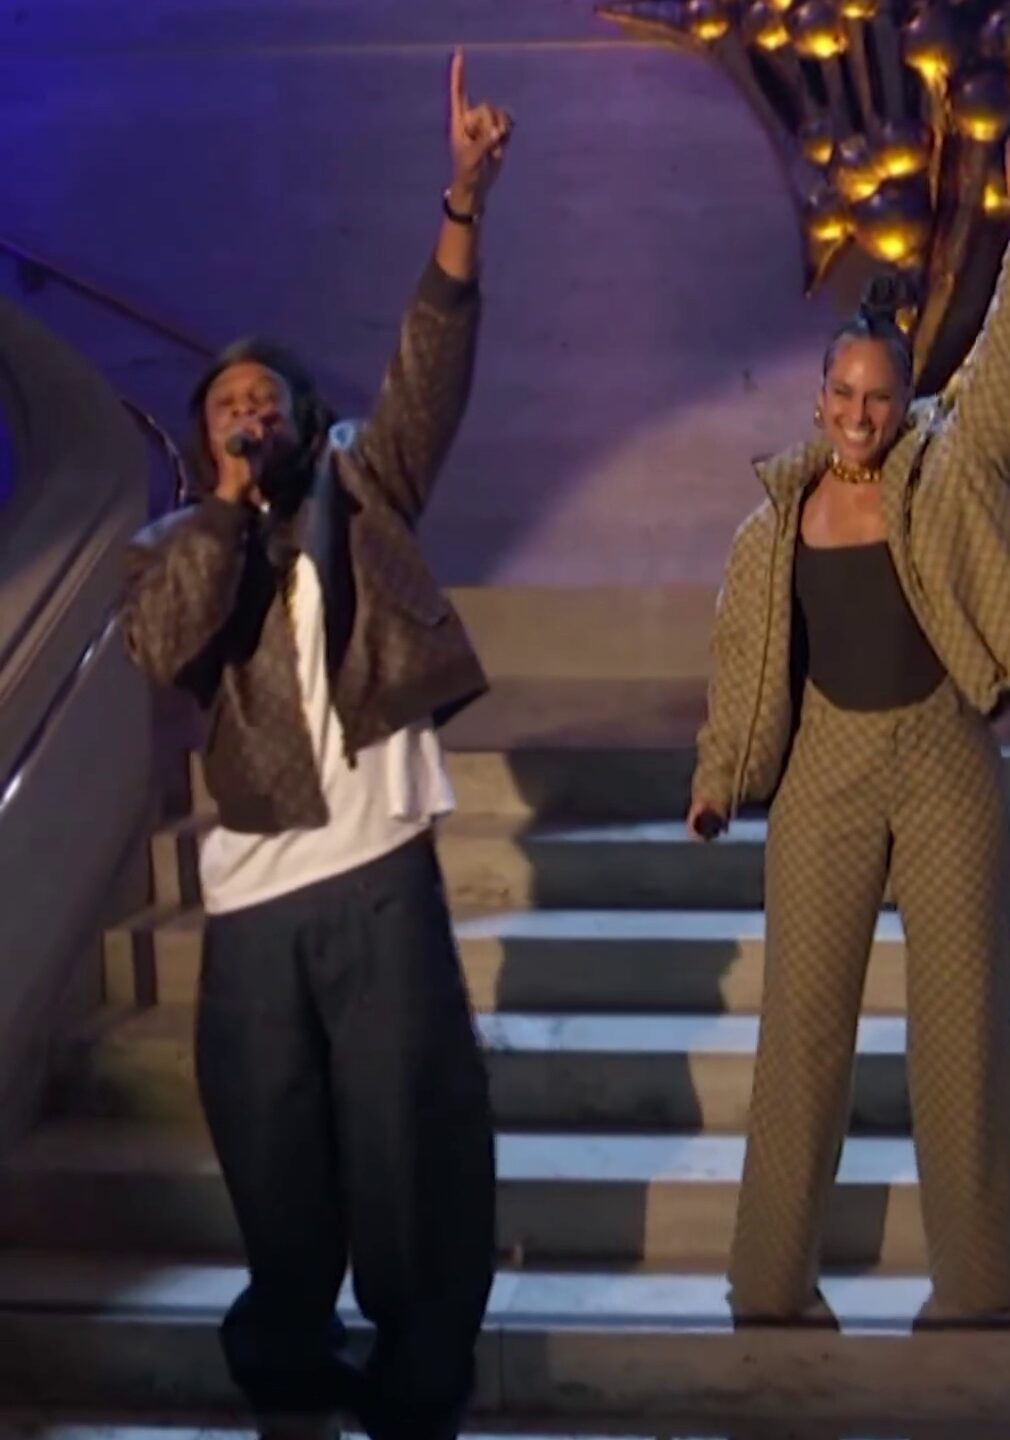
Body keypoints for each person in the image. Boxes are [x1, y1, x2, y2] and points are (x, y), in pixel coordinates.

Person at [121, 51, 512, 1435]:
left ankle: (421, 1365)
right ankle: (287, 1359)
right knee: (277, 1158)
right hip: (253, 897)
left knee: (411, 1140)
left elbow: (427, 372)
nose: (248, 413)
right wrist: (224, 511)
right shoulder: (177, 545)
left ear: (298, 412)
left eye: (264, 397)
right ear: (202, 441)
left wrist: (459, 208)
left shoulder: (362, 484)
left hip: (375, 870)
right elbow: (168, 647)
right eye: (224, 405)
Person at [687, 138, 1010, 1322]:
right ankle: (769, 1282)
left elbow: (1007, 384)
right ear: (819, 400)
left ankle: (981, 1280)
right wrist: (718, 783)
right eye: (843, 395)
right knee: (802, 1034)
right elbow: (746, 675)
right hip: (826, 775)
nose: (860, 413)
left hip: (947, 760)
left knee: (960, 1034)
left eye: (880, 397)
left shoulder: (947, 469)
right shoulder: (769, 534)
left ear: (903, 400)